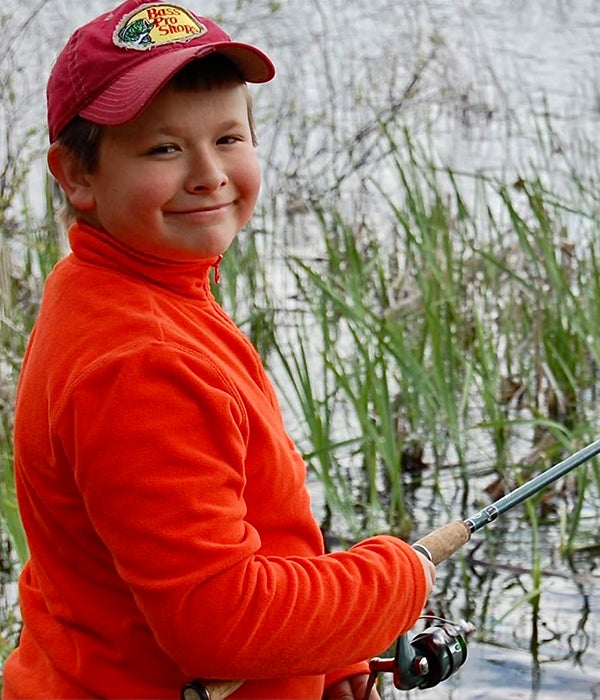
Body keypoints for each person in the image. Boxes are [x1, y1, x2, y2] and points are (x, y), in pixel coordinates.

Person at [3, 2, 436, 698]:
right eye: (164, 149)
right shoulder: (140, 362)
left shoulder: (117, 287)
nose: (209, 174)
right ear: (76, 177)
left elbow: (250, 526)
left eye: (230, 138)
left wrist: (334, 654)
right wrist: (395, 581)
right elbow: (220, 621)